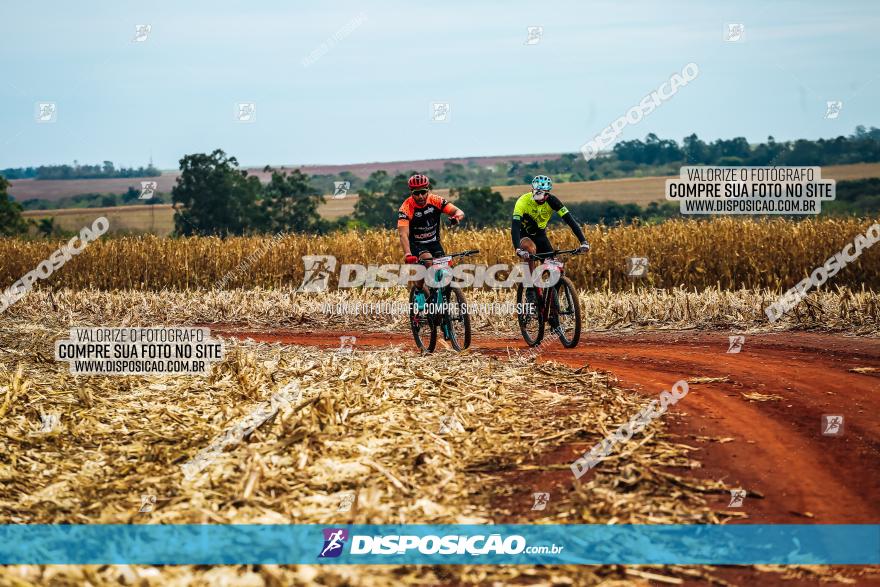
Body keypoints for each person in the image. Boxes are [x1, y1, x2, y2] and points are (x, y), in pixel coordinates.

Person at [397, 173, 465, 309]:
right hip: (416, 244)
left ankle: (442, 298)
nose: (420, 196)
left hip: (434, 242)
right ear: (412, 193)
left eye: (423, 192)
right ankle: (419, 292)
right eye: (417, 193)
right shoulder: (406, 208)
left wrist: (456, 218)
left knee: (445, 267)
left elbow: (459, 211)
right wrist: (408, 254)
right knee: (427, 262)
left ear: (428, 190)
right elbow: (403, 234)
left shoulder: (436, 200)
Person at [512, 175, 590, 270]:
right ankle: (530, 282)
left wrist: (583, 241)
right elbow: (515, 227)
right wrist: (518, 249)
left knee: (556, 268)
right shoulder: (522, 201)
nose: (540, 198)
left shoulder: (553, 201)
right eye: (537, 193)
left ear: (548, 193)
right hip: (523, 234)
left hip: (540, 235)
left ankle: (555, 283)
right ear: (532, 190)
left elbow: (570, 221)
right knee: (530, 249)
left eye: (543, 194)